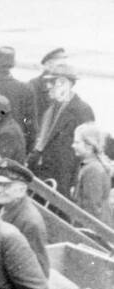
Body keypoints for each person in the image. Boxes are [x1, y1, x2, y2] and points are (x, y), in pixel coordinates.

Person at [28, 62, 93, 197]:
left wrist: (75, 182)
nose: (47, 87)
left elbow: (88, 151)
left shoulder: (82, 111)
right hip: (44, 175)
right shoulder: (51, 108)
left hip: (64, 179)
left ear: (64, 83)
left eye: (52, 82)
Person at [0, 158, 50, 277]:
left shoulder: (30, 222)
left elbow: (39, 271)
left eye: (5, 185)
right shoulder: (9, 205)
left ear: (21, 190)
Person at [71, 123, 114, 228]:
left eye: (77, 142)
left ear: (89, 146)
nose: (73, 145)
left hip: (93, 230)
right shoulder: (90, 165)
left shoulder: (93, 170)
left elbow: (92, 208)